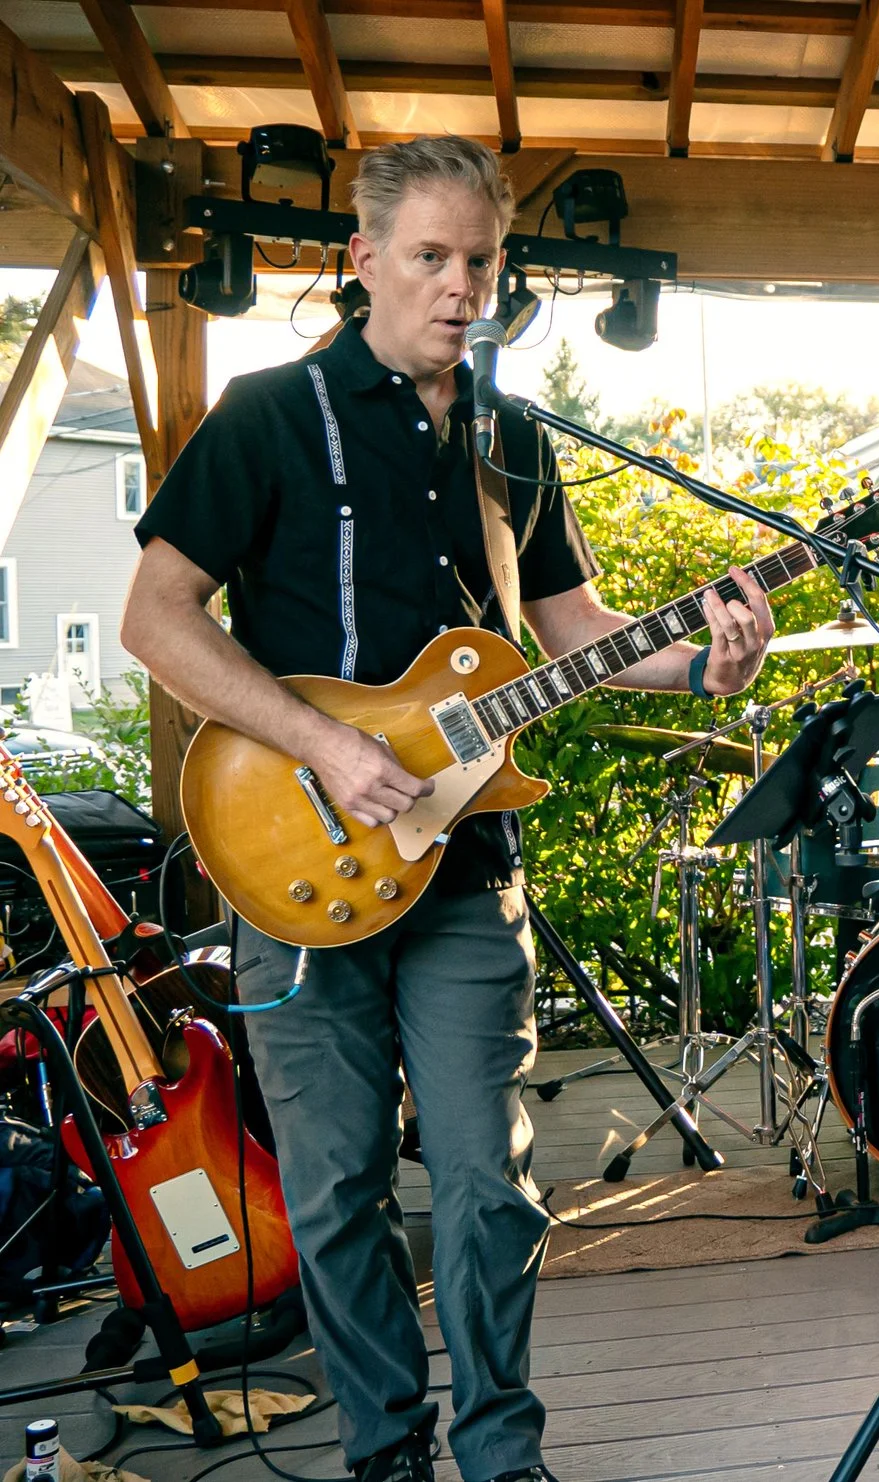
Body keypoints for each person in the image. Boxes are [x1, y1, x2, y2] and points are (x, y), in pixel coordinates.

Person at [121, 138, 778, 1482]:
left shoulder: (512, 435)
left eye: (480, 260)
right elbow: (153, 616)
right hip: (294, 854)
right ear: (362, 262)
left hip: (467, 861)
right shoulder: (265, 412)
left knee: (490, 1181)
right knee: (338, 1187)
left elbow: (575, 632)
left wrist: (709, 652)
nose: (461, 287)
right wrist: (320, 742)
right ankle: (383, 1452)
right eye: (430, 257)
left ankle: (499, 1451)